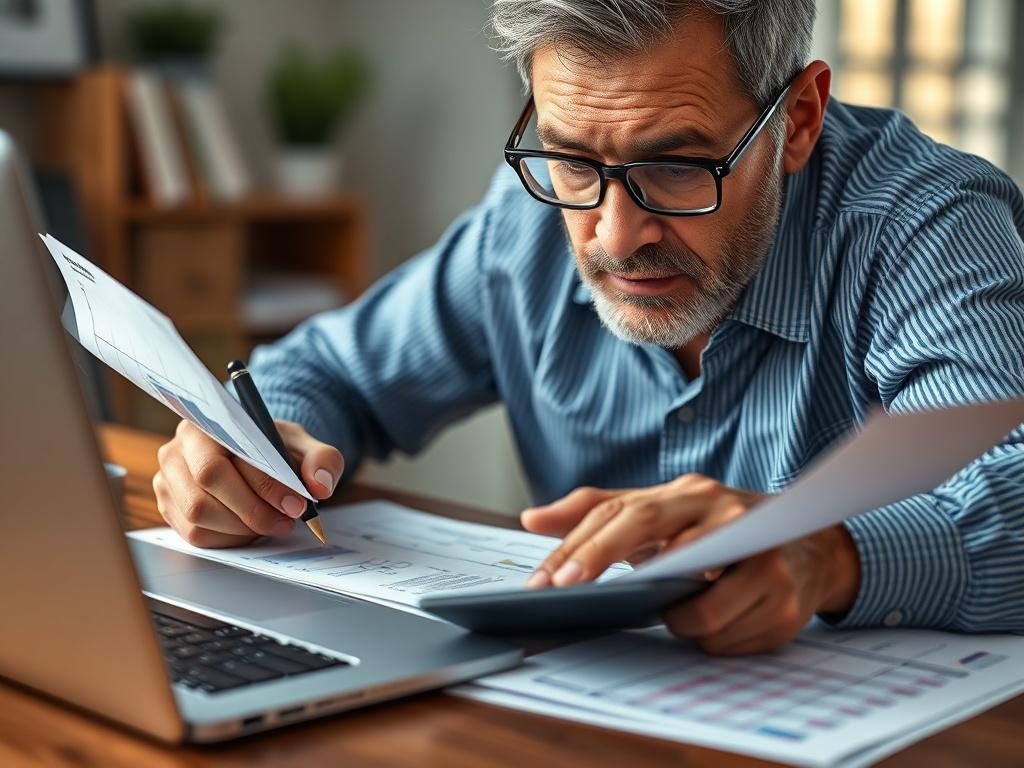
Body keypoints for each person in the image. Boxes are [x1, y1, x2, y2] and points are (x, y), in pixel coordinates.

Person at [153, 0, 1024, 655]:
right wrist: (246, 450)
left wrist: (832, 555)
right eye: (572, 159)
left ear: (797, 119)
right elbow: (329, 372)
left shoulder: (926, 225)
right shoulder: (522, 227)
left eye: (678, 167)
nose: (614, 236)